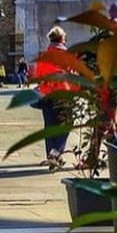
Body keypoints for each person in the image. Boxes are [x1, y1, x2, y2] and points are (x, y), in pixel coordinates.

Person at [30, 26, 76, 170]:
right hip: (63, 94)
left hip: (47, 95)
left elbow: (37, 76)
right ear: (62, 39)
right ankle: (56, 152)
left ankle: (51, 154)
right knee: (66, 124)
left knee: (50, 125)